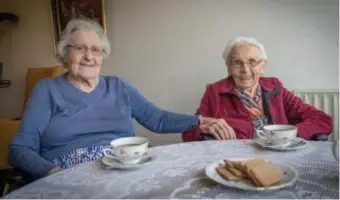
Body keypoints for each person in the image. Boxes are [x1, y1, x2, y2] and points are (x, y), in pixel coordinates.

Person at [8, 19, 227, 178]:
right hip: (69, 174)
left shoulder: (118, 86)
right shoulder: (47, 90)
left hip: (123, 169)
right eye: (80, 49)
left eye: (96, 50)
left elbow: (157, 119)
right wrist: (55, 174)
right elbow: (19, 149)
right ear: (65, 54)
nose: (89, 56)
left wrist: (199, 121)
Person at [182, 36, 333, 142]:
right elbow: (189, 132)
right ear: (228, 67)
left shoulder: (275, 89)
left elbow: (323, 120)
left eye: (252, 62)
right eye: (237, 63)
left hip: (280, 156)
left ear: (263, 67)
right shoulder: (215, 92)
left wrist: (287, 135)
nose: (245, 70)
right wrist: (204, 127)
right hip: (237, 160)